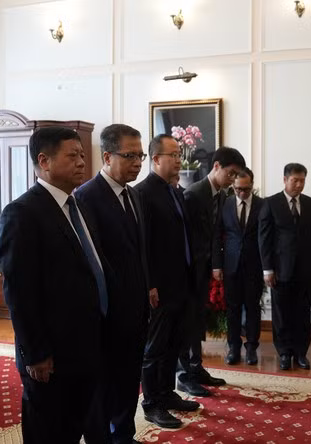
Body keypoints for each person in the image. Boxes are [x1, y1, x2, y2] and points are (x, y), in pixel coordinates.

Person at [0, 127, 110, 443]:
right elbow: (19, 292)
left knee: (74, 425)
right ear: (44, 161)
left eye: (82, 155)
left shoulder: (79, 205)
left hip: (86, 344)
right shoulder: (22, 213)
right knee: (49, 431)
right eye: (72, 156)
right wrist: (35, 353)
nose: (81, 162)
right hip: (51, 355)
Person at [75, 124, 150, 444]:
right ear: (107, 157)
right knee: (105, 383)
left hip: (136, 309)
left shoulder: (134, 194)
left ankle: (124, 434)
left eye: (141, 156)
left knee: (129, 378)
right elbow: (94, 262)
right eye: (130, 156)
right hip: (107, 313)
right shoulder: (86, 197)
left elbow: (138, 251)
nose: (138, 163)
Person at [135, 134, 200, 429]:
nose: (178, 160)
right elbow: (143, 245)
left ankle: (167, 393)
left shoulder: (175, 190)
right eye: (173, 155)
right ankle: (152, 404)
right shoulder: (143, 193)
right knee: (155, 349)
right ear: (156, 159)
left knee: (175, 344)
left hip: (180, 283)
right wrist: (150, 284)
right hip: (159, 287)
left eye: (179, 154)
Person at [178, 147, 245, 396]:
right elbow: (185, 237)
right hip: (188, 271)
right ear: (216, 166)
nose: (233, 179)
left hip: (203, 269)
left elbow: (215, 234)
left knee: (197, 322)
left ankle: (196, 368)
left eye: (236, 175)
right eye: (230, 173)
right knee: (186, 324)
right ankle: (184, 375)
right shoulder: (194, 194)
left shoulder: (221, 195)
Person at [259, 163, 311, 371]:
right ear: (285, 180)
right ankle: (284, 353)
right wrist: (268, 269)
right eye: (295, 180)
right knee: (282, 313)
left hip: (305, 269)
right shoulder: (271, 203)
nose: (299, 185)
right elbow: (264, 239)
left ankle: (301, 353)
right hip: (280, 270)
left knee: (303, 312)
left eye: (302, 180)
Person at [213, 168, 265, 365]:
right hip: (231, 265)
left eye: (246, 189)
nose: (242, 193)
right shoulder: (225, 204)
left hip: (255, 265)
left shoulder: (262, 205)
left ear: (252, 185)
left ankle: (251, 348)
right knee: (232, 309)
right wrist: (217, 265)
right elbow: (217, 235)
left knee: (252, 308)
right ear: (233, 186)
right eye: (238, 189)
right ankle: (233, 348)